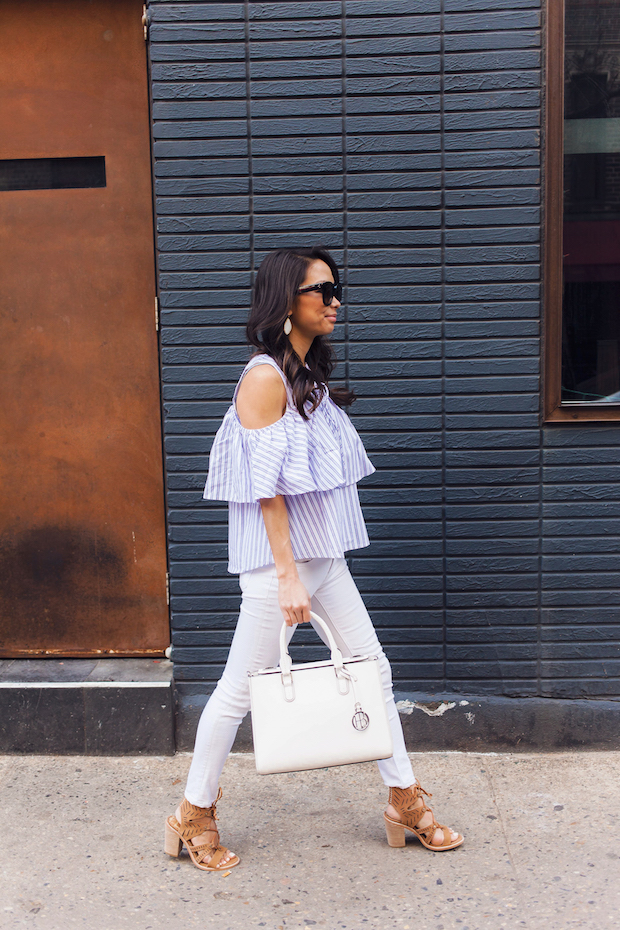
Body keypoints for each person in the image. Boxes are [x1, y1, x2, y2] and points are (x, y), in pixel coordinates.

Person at [164, 246, 463, 871]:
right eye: (321, 290)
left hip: (322, 556)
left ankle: (403, 800)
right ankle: (193, 813)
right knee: (238, 692)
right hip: (284, 565)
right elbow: (266, 490)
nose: (334, 301)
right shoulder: (265, 378)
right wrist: (288, 576)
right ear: (285, 302)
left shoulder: (306, 376)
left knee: (372, 668)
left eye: (336, 289)